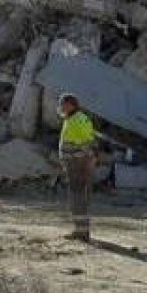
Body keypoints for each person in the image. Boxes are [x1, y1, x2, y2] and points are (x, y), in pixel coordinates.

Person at [57, 93, 97, 242]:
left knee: (77, 197)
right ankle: (82, 230)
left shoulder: (75, 120)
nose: (61, 107)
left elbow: (85, 144)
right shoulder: (81, 117)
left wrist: (83, 159)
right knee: (81, 196)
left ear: (70, 105)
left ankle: (81, 232)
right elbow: (91, 142)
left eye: (62, 104)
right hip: (80, 163)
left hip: (77, 164)